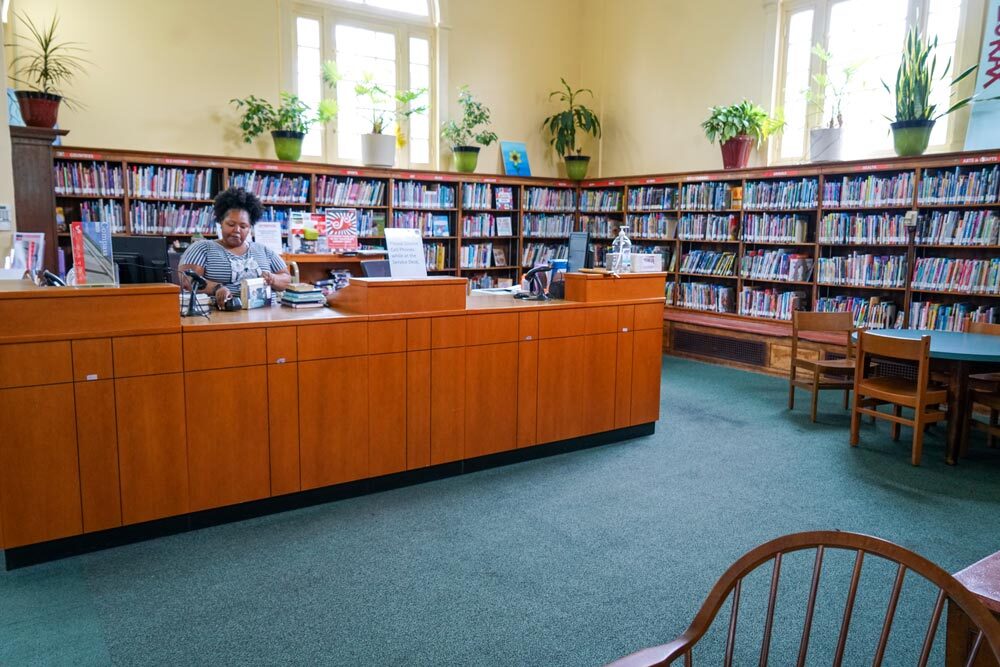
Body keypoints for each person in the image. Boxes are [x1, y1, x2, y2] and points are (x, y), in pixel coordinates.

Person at [179, 187, 291, 307]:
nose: (237, 230)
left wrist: (273, 279)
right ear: (221, 222)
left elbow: (286, 279)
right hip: (220, 315)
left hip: (267, 314)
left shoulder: (262, 250)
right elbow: (187, 280)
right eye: (231, 224)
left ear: (250, 228)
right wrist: (216, 288)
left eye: (243, 226)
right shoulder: (202, 248)